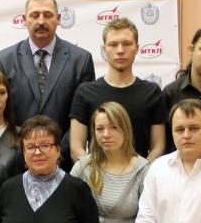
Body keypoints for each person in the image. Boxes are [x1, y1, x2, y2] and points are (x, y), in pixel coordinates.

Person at [70, 17, 167, 163]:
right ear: (104, 49)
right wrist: (94, 172)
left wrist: (141, 172)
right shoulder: (85, 92)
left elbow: (158, 147)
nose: (120, 50)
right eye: (113, 44)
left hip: (140, 175)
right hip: (96, 175)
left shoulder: (152, 92)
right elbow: (76, 148)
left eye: (127, 44)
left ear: (137, 48)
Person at [0, 0, 96, 130]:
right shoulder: (5, 60)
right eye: (34, 15)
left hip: (65, 143)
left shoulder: (81, 60)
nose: (41, 21)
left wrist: (63, 143)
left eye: (47, 15)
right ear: (24, 20)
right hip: (17, 142)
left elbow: (85, 114)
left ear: (58, 19)